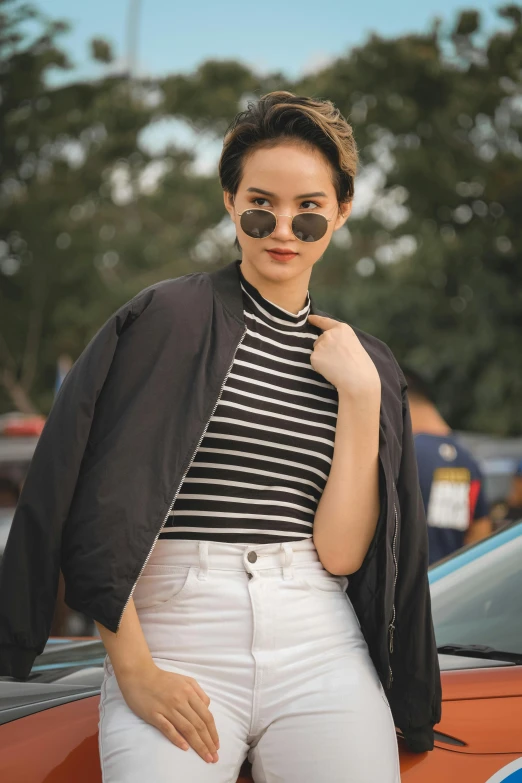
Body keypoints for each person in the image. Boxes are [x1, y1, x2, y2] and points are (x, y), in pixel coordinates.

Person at [0, 91, 441, 781]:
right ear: (230, 200)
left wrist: (359, 397)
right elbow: (99, 508)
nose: (282, 228)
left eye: (310, 209)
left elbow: (342, 550)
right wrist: (137, 670)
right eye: (261, 202)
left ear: (343, 211)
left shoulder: (365, 362)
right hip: (177, 627)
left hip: (319, 636)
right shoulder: (164, 318)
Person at [403, 367, 492, 565]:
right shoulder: (468, 459)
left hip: (409, 586)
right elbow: (480, 534)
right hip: (451, 583)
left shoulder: (403, 455)